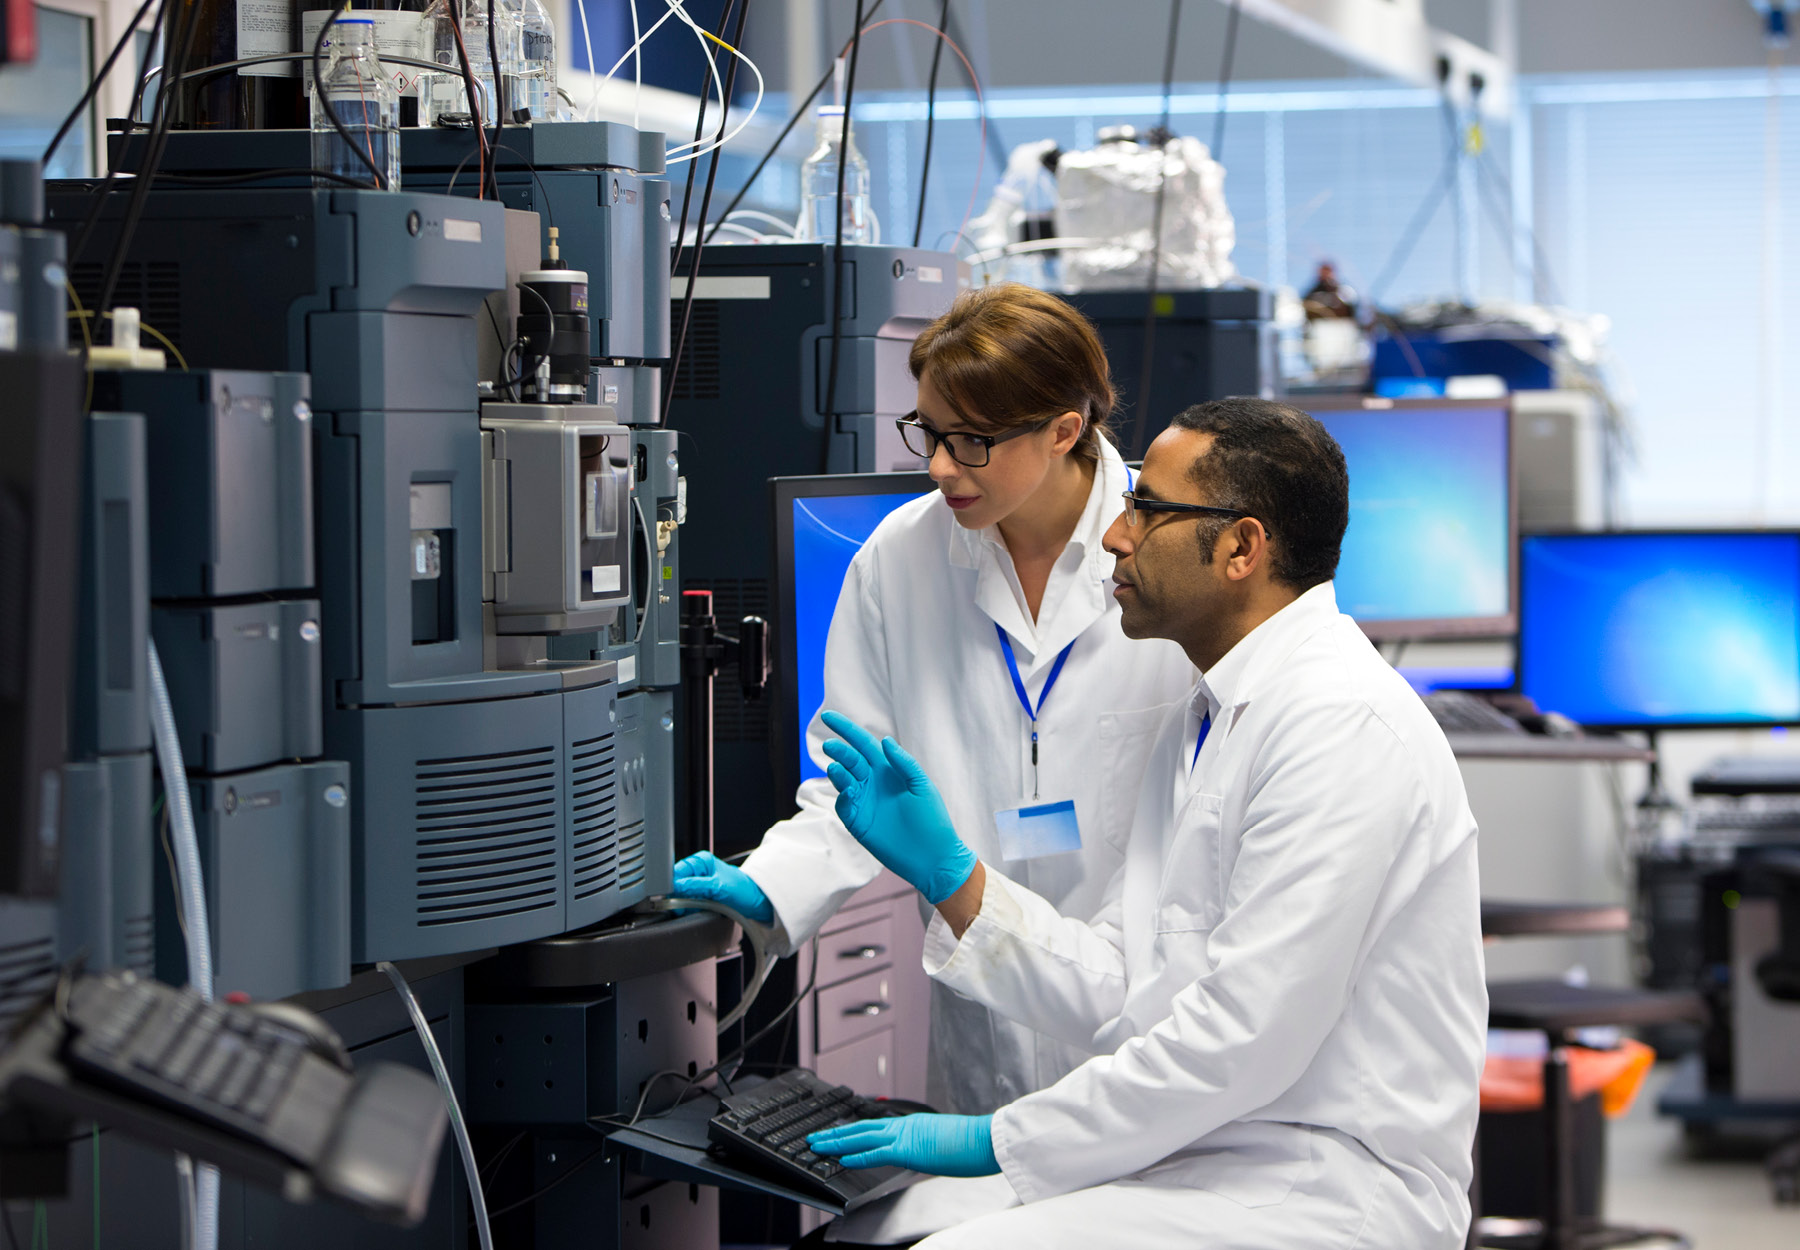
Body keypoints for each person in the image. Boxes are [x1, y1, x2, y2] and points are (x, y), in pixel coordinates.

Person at [805, 398, 1488, 1248]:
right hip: (1207, 1150)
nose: (1117, 537)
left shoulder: (1338, 726)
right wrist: (958, 883)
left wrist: (1000, 1137)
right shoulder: (1209, 719)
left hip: (1324, 1179)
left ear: (1241, 547)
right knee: (866, 1229)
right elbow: (1129, 983)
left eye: (1148, 510)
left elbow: (1241, 1039)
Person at [669, 284, 1196, 1235]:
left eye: (974, 443)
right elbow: (856, 790)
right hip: (984, 1035)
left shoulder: (1163, 559)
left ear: (1067, 429)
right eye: (930, 433)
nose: (944, 468)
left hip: (1147, 1043)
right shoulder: (901, 559)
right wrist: (772, 883)